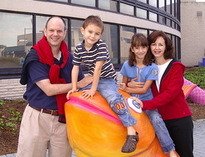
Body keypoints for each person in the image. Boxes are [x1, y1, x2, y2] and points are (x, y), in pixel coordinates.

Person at [17, 16, 92, 157]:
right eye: (51, 30)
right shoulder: (35, 55)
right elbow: (48, 89)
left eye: (59, 30)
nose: (55, 34)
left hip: (62, 119)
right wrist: (77, 84)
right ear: (45, 31)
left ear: (64, 32)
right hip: (37, 118)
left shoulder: (70, 58)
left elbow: (83, 87)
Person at [66, 15, 138, 153]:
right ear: (83, 31)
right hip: (93, 78)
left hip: (107, 79)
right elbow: (75, 68)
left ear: (100, 35)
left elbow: (98, 69)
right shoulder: (79, 49)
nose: (93, 36)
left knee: (113, 99)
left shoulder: (101, 46)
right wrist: (74, 87)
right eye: (90, 32)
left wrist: (93, 90)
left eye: (97, 33)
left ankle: (131, 132)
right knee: (78, 97)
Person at [128, 30, 194, 157]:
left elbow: (170, 94)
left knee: (185, 154)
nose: (157, 48)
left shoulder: (176, 66)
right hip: (160, 121)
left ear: (166, 47)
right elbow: (138, 84)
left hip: (179, 120)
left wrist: (145, 104)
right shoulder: (148, 67)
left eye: (160, 44)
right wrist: (130, 84)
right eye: (153, 44)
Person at [119, 33, 179, 157]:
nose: (140, 51)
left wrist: (129, 88)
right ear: (132, 49)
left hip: (147, 104)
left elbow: (144, 89)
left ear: (147, 48)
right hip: (130, 104)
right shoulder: (126, 65)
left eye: (143, 47)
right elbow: (122, 87)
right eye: (137, 48)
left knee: (157, 119)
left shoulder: (152, 67)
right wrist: (128, 86)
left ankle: (170, 149)